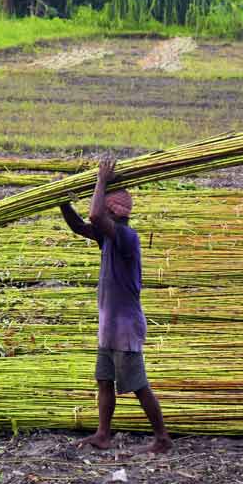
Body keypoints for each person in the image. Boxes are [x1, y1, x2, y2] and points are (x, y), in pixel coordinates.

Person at [59, 157, 172, 454]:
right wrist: (60, 200)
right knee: (104, 380)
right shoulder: (108, 237)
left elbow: (95, 217)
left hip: (125, 326)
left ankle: (162, 438)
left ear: (112, 211)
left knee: (138, 384)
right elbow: (79, 225)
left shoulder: (125, 237)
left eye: (105, 205)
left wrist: (101, 179)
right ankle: (103, 434)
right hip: (109, 325)